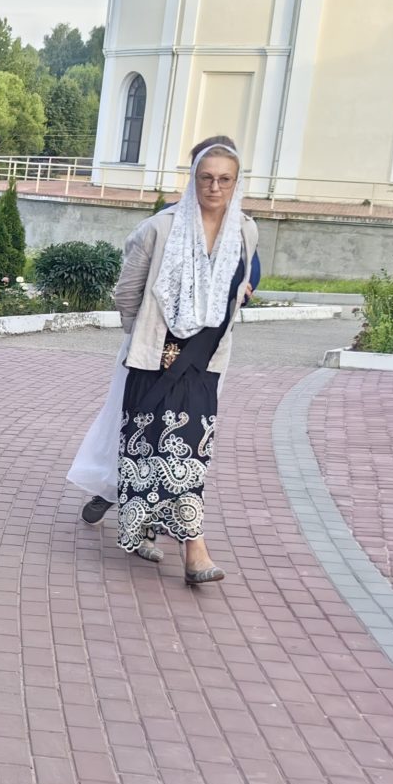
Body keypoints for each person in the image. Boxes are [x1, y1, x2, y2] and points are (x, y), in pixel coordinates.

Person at [112, 135, 258, 585]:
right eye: (206, 178)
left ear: (236, 184)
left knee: (191, 451)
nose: (215, 187)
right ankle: (146, 531)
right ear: (193, 179)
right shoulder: (160, 229)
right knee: (146, 449)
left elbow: (235, 296)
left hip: (204, 362)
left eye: (225, 180)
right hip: (154, 359)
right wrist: (145, 338)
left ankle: (195, 550)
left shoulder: (245, 231)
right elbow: (127, 292)